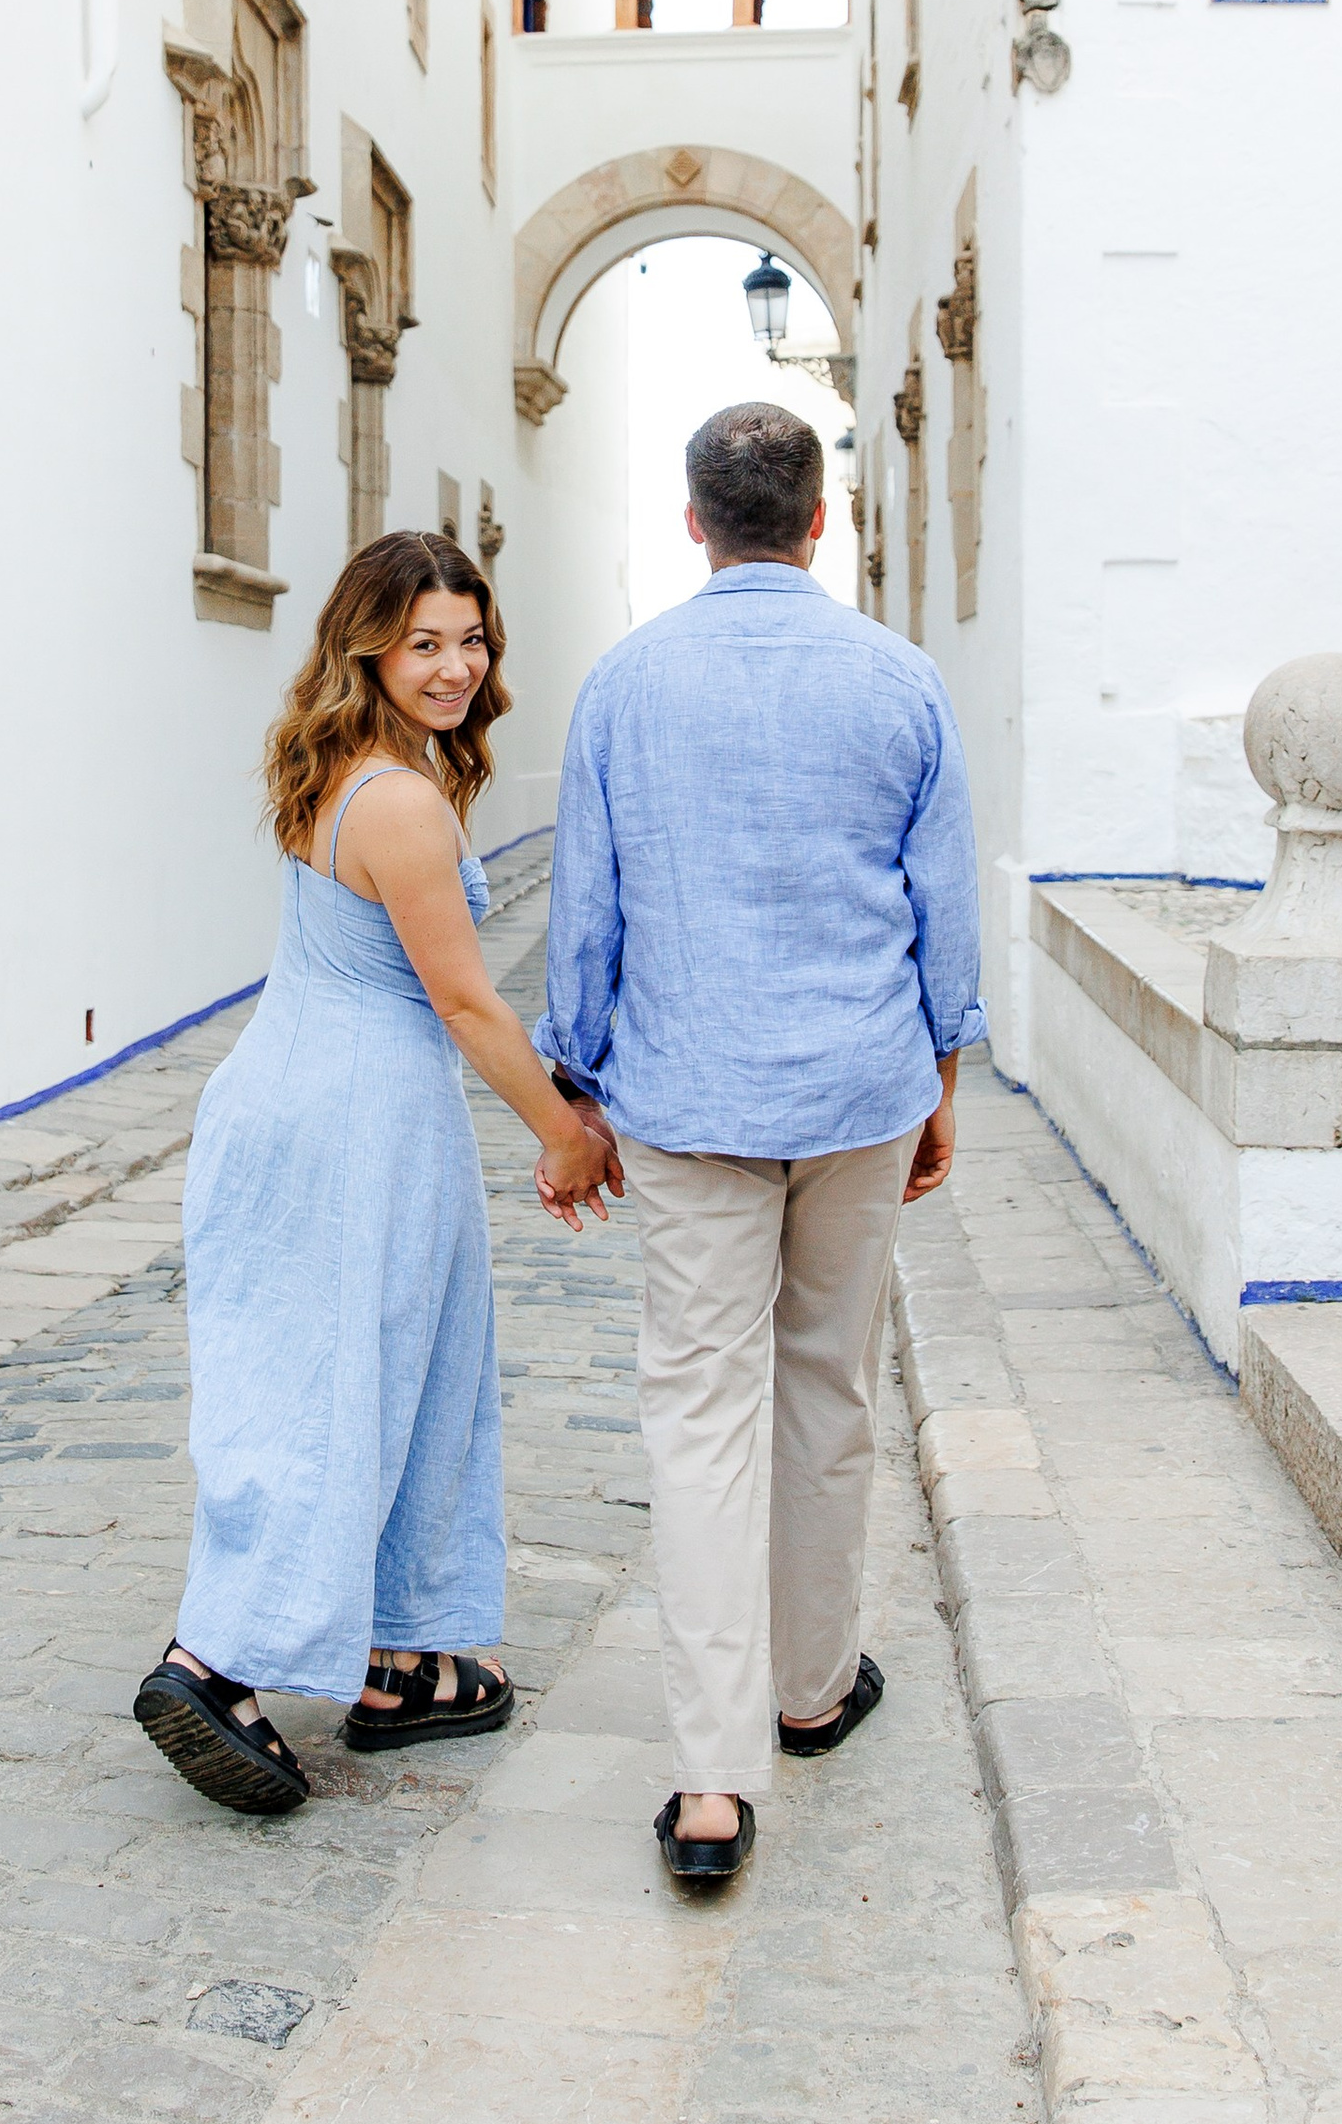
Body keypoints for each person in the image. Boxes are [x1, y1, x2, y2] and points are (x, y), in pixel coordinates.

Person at [534, 399, 983, 1891]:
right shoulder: (900, 681)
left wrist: (576, 1084)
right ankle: (813, 1685)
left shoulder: (624, 686)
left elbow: (587, 908)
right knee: (828, 1386)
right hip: (858, 1089)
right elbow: (940, 901)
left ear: (692, 523)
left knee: (699, 1413)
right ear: (822, 519)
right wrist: (941, 1072)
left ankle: (713, 1784)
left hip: (689, 1098)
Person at [135, 530, 620, 1816]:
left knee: (402, 1371)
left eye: (472, 640)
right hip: (356, 1119)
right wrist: (565, 1135)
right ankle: (212, 1664)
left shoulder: (348, 768)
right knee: (339, 1385)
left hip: (314, 1098)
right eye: (424, 644)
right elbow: (465, 1002)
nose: (456, 666)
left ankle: (405, 1658)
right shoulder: (400, 801)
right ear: (368, 647)